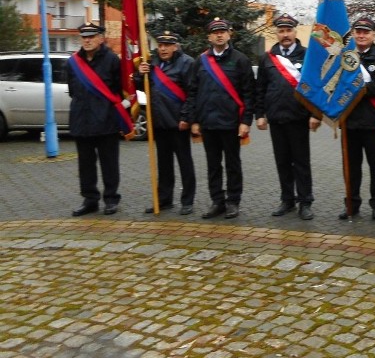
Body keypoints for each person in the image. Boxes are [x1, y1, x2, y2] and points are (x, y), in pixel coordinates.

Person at [185, 18, 255, 220]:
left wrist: (245, 121)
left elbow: (248, 93)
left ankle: (233, 201)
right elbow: (193, 92)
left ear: (229, 34)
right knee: (213, 165)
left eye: (223, 31)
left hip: (232, 123)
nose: (219, 35)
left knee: (233, 165)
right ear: (209, 36)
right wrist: (195, 120)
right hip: (208, 123)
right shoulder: (201, 61)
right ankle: (217, 201)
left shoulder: (240, 60)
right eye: (215, 32)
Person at [256, 14, 320, 220]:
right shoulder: (268, 57)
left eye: (288, 30)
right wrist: (260, 115)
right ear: (277, 33)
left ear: (295, 32)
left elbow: (315, 87)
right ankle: (287, 200)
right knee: (282, 162)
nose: (285, 35)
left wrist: (315, 114)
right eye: (281, 31)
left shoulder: (308, 55)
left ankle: (305, 201)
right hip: (276, 117)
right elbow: (261, 89)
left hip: (299, 117)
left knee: (301, 162)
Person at [65, 22, 129, 216]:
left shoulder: (111, 60)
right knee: (85, 165)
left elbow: (119, 90)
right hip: (81, 120)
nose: (87, 40)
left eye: (91, 37)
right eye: (84, 37)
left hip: (105, 121)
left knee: (109, 163)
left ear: (101, 38)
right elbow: (73, 90)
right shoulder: (73, 62)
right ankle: (90, 199)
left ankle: (111, 199)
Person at [136, 31, 196, 215]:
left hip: (178, 123)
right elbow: (143, 87)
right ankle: (164, 199)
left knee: (185, 163)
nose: (163, 48)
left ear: (175, 46)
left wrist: (186, 118)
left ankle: (187, 200)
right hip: (159, 123)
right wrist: (140, 75)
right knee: (163, 165)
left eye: (167, 45)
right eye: (160, 45)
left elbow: (192, 93)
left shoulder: (187, 63)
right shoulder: (152, 63)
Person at [338, 16, 375, 220]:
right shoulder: (344, 57)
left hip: (372, 122)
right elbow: (336, 84)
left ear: (373, 34)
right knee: (351, 167)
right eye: (358, 32)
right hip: (349, 121)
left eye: (366, 32)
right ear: (353, 34)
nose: (361, 35)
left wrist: (352, 89)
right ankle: (351, 204)